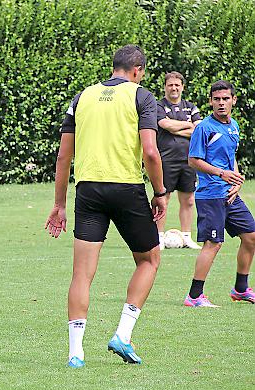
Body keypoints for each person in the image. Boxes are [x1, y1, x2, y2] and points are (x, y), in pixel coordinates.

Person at [45, 45, 166, 368]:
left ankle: (75, 353)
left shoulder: (82, 97)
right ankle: (122, 334)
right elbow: (151, 153)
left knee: (82, 274)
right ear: (137, 70)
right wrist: (161, 192)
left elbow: (62, 157)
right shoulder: (142, 96)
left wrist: (59, 204)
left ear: (114, 67)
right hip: (126, 188)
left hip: (88, 191)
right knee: (150, 259)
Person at [184, 80, 255, 307]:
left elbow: (231, 157)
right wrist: (221, 174)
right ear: (210, 102)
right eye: (217, 99)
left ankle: (241, 289)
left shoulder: (233, 125)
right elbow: (193, 160)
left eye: (225, 98)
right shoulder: (204, 128)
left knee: (251, 236)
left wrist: (236, 180)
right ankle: (194, 296)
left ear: (234, 100)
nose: (221, 103)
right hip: (210, 195)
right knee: (213, 243)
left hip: (229, 194)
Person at [156, 72, 203, 249]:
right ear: (165, 87)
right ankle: (159, 238)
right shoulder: (158, 105)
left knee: (189, 200)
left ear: (182, 87)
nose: (174, 88)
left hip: (189, 160)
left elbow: (198, 130)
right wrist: (186, 125)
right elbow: (164, 125)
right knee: (163, 199)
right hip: (166, 159)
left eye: (177, 85)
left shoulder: (191, 107)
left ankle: (186, 237)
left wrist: (176, 128)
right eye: (170, 85)